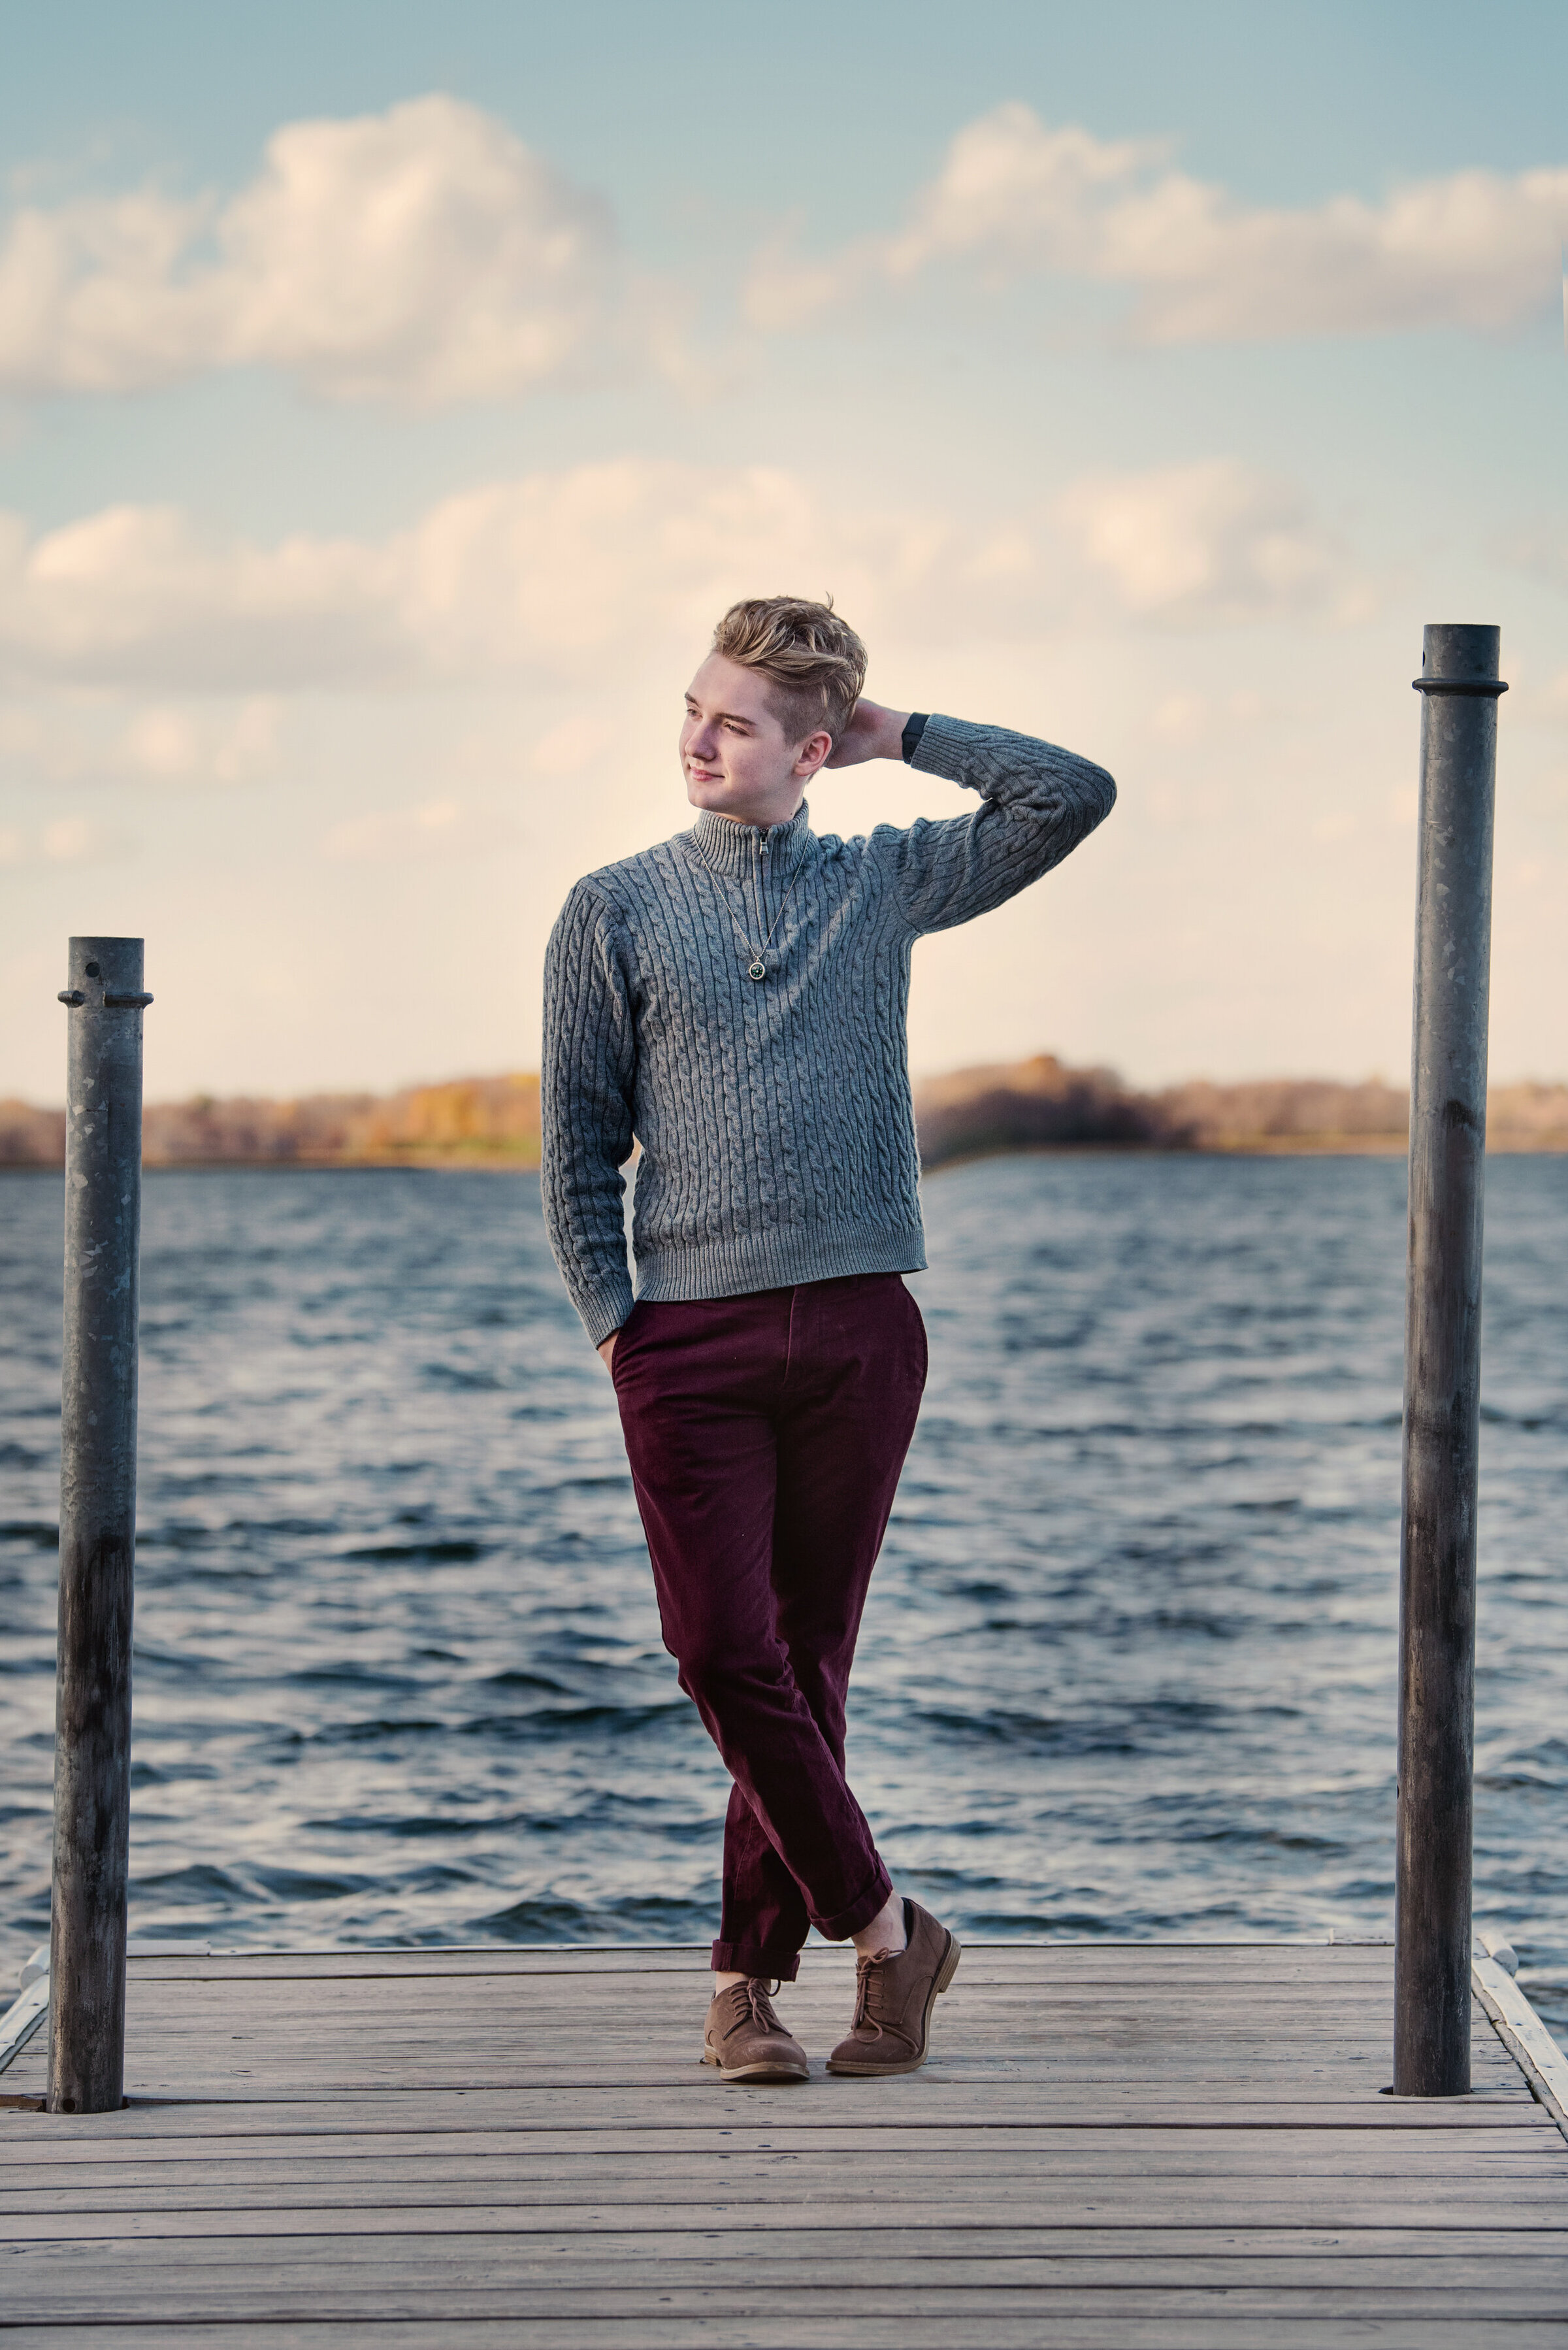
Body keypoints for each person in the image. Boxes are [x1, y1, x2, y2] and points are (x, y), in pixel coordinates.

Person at [542, 596, 1115, 2083]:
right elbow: (575, 1147)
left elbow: (1071, 795)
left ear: (807, 749)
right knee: (724, 1650)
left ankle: (745, 1982)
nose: (694, 739)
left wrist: (898, 733)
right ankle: (884, 1926)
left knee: (809, 1655)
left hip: (863, 1325)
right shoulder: (610, 906)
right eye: (691, 708)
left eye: (733, 721)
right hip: (687, 1337)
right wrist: (621, 1331)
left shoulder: (884, 883)